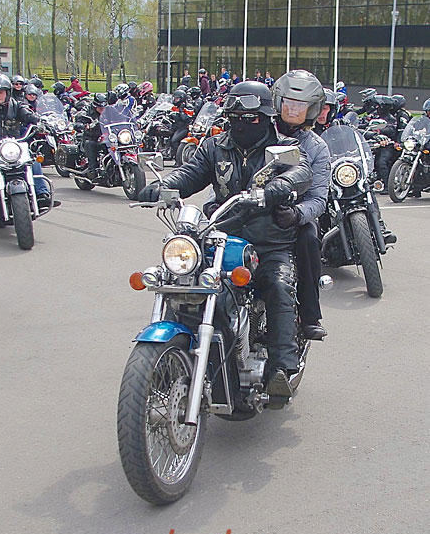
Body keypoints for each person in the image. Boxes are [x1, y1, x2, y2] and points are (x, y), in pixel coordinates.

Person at [138, 80, 313, 398]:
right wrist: (163, 187)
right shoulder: (215, 146)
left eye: (250, 118)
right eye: (234, 117)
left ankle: (282, 368)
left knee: (278, 285)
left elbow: (300, 170)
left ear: (266, 117)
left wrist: (279, 187)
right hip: (222, 237)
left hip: (270, 242)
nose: (241, 124)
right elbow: (190, 173)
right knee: (185, 282)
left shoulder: (283, 146)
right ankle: (168, 361)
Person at [272, 70, 331, 341]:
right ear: (278, 101)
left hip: (295, 216)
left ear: (312, 109)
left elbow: (318, 199)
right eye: (289, 103)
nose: (294, 110)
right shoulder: (261, 133)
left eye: (301, 105)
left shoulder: (317, 147)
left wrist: (296, 214)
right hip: (254, 210)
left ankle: (310, 315)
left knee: (309, 238)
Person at [0, 73, 52, 207]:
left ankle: (41, 194)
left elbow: (27, 115)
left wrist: (40, 122)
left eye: (1, 92)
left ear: (7, 92)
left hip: (13, 147)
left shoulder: (16, 105)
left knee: (33, 161)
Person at [74, 92, 107, 178]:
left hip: (106, 136)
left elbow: (119, 117)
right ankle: (92, 170)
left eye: (104, 107)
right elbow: (78, 121)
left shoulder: (109, 111)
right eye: (100, 108)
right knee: (90, 144)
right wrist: (84, 125)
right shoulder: (87, 111)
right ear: (95, 106)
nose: (102, 109)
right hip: (91, 136)